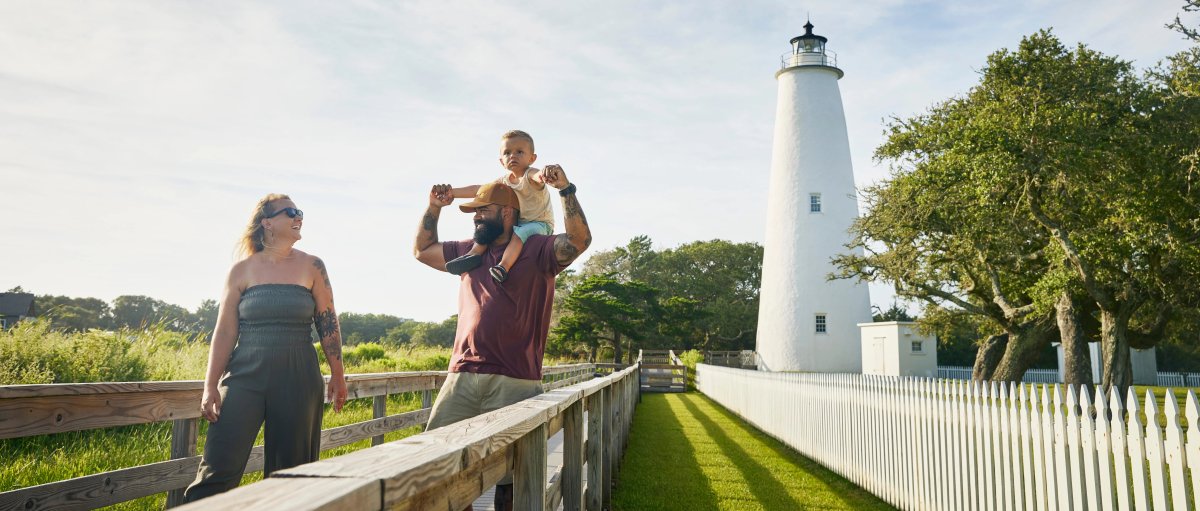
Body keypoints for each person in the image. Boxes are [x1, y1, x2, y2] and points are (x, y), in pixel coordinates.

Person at [414, 164, 590, 511]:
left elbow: (579, 241)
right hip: (461, 378)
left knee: (513, 479)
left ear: (508, 213)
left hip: (514, 380)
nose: (476, 217)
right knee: (439, 471)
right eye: (474, 211)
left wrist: (566, 191)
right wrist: (434, 208)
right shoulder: (468, 254)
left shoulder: (538, 249)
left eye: (483, 210)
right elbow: (423, 250)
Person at [183, 194, 349, 502]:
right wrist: (210, 385)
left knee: (292, 476)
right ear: (267, 222)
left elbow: (328, 323)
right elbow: (224, 331)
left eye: (300, 211)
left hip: (299, 376)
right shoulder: (241, 271)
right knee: (217, 469)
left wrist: (338, 375)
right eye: (291, 212)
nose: (299, 216)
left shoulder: (313, 266)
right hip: (245, 374)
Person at [442, 130, 555, 283]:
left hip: (539, 223)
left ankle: (503, 267)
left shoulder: (530, 175)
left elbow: (538, 176)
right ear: (502, 161)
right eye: (507, 153)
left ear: (532, 158)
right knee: (490, 228)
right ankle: (473, 254)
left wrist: (546, 174)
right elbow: (479, 190)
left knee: (518, 235)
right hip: (518, 223)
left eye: (519, 152)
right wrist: (452, 193)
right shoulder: (503, 181)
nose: (513, 156)